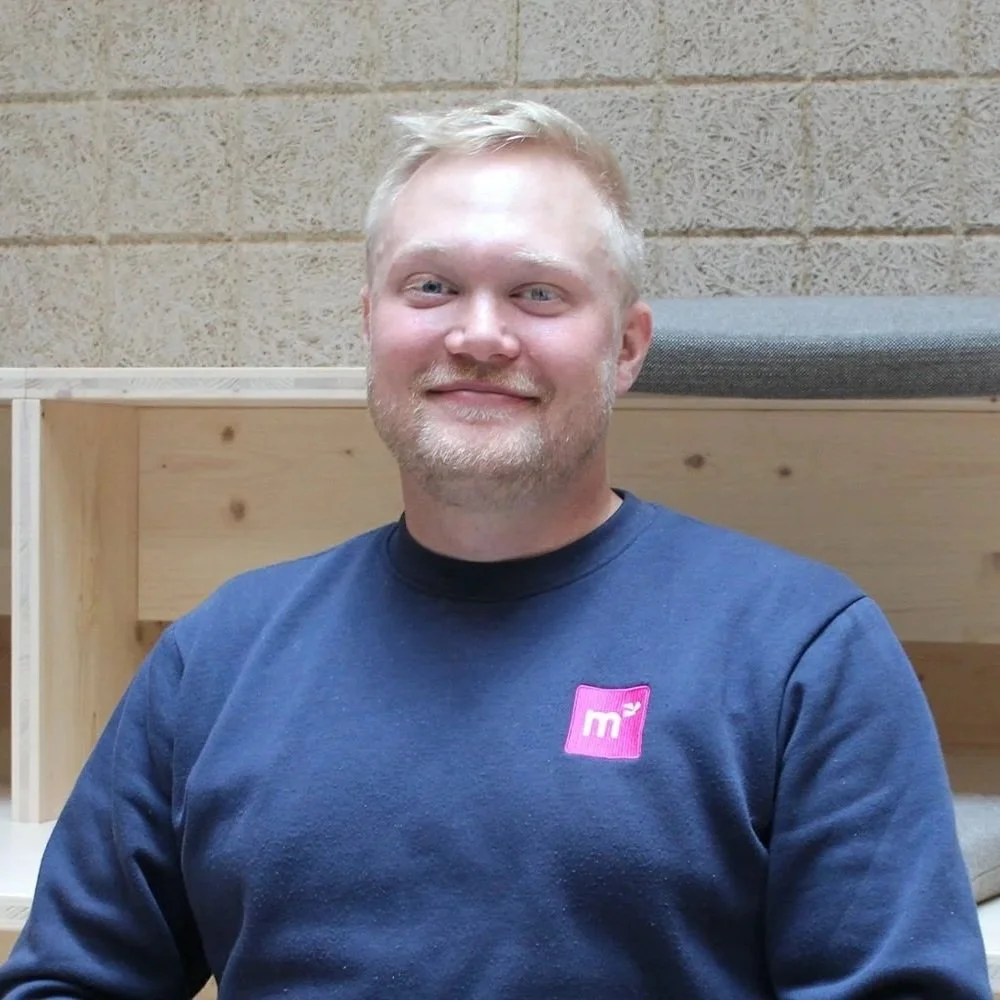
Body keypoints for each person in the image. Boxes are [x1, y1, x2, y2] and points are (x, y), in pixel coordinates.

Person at [0, 99, 990, 998]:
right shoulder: (218, 658)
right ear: (370, 324)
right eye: (430, 286)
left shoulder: (801, 654)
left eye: (538, 295)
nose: (478, 335)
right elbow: (68, 985)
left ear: (628, 346)